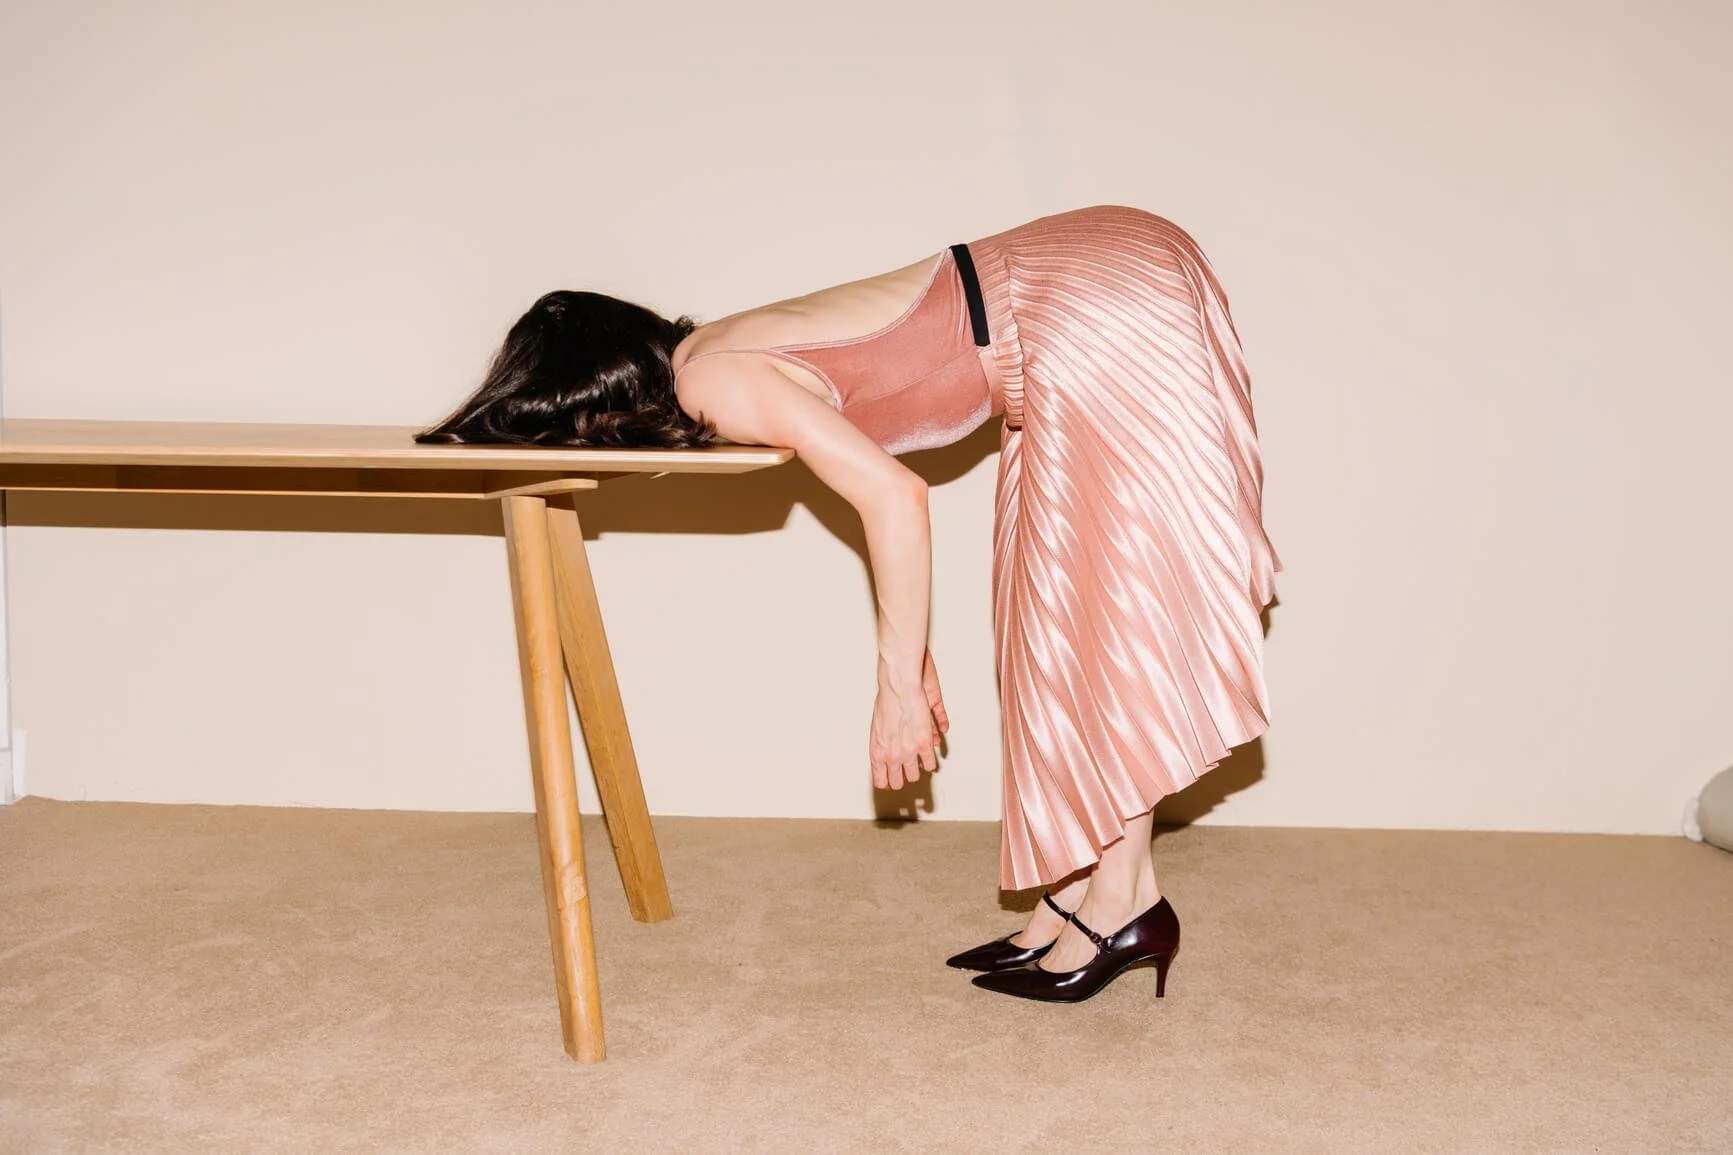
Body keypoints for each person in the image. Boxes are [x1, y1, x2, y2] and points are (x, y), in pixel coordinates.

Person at [418, 204, 1280, 1003]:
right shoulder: (714, 353)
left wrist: (896, 687)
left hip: (1082, 297)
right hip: (1080, 285)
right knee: (1052, 613)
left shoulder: (708, 383)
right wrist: (913, 650)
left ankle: (1125, 900)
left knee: (1102, 615)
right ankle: (1082, 888)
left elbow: (894, 496)